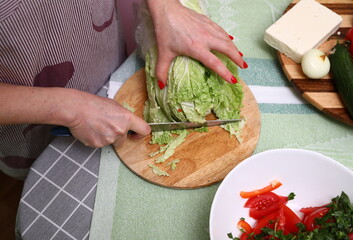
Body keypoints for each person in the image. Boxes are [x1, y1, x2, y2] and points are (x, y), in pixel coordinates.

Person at [0, 0, 246, 178]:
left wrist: (164, 6)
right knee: (53, 174)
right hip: (29, 110)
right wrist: (69, 108)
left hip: (100, 40)